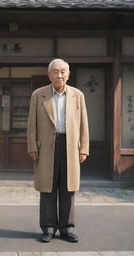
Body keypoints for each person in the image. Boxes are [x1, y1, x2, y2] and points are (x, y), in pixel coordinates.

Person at [27, 59, 89, 243]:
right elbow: (32, 124)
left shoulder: (77, 95)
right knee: (47, 187)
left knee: (68, 188)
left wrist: (84, 148)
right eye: (55, 72)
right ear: (49, 75)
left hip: (70, 146)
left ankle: (66, 228)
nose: (59, 75)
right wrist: (32, 146)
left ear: (68, 74)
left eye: (63, 72)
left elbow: (84, 124)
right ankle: (48, 228)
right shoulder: (38, 95)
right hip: (46, 147)